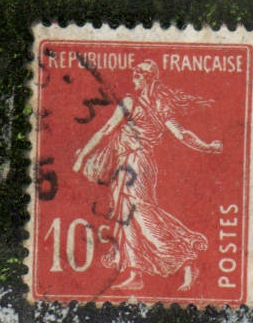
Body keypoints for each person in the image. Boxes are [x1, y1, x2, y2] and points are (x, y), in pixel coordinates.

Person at [72, 60, 222, 292]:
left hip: (136, 164)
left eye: (138, 73)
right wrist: (207, 146)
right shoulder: (159, 106)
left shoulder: (134, 103)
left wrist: (82, 157)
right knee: (126, 215)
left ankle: (185, 257)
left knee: (141, 214)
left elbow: (106, 130)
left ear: (148, 78)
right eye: (135, 72)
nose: (134, 76)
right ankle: (135, 272)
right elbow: (182, 134)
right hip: (132, 165)